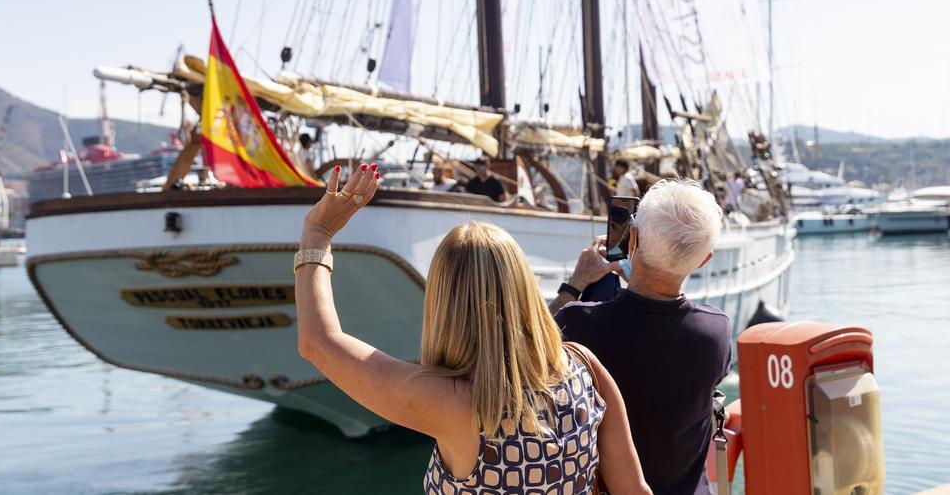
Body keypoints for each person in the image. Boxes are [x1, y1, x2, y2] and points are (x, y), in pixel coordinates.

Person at [295, 164, 651, 495]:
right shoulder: (583, 367)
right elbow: (634, 490)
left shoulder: (455, 405)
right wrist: (574, 285)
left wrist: (318, 235)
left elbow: (319, 343)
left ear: (442, 302)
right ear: (523, 288)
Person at [549, 180, 731, 495]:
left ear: (632, 238)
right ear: (703, 260)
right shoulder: (716, 331)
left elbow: (527, 346)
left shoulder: (578, 323)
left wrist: (576, 283)